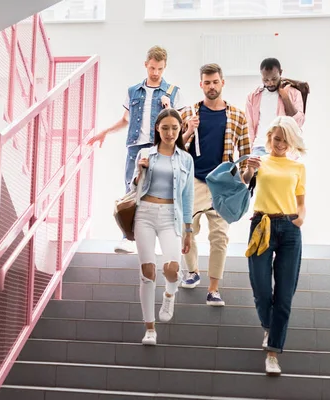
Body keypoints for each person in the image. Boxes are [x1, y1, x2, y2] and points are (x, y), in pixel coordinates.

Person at [88, 45, 188, 254]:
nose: (155, 73)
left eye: (160, 69)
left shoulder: (173, 92)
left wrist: (168, 107)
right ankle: (128, 238)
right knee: (132, 189)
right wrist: (105, 131)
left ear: (164, 67)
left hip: (160, 146)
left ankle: (164, 238)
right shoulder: (133, 91)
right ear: (146, 65)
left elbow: (180, 125)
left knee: (163, 190)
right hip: (135, 147)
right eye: (152, 68)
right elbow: (126, 119)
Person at [178, 63, 251, 306]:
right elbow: (176, 148)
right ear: (201, 84)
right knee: (186, 230)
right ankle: (192, 271)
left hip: (222, 184)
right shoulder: (189, 113)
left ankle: (213, 289)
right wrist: (188, 131)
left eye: (215, 82)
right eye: (207, 82)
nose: (211, 86)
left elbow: (246, 155)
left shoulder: (238, 116)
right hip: (194, 181)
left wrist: (241, 185)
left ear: (222, 82)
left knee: (219, 236)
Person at [241, 116, 307, 376]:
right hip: (261, 224)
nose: (280, 144)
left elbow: (301, 200)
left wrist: (300, 219)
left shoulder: (297, 167)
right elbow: (245, 183)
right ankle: (270, 325)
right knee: (260, 287)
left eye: (285, 140)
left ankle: (273, 353)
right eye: (277, 138)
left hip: (290, 228)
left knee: (285, 294)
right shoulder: (259, 161)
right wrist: (248, 169)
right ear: (269, 138)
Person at [129, 108, 194, 346]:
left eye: (175, 128)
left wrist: (189, 230)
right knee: (147, 273)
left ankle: (169, 294)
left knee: (172, 269)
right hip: (145, 213)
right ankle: (149, 328)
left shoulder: (185, 159)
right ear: (157, 128)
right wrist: (140, 171)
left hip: (171, 217)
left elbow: (187, 197)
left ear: (180, 129)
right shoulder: (146, 154)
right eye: (165, 128)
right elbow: (134, 187)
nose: (170, 133)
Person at [245, 58, 305, 156]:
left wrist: (285, 97)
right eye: (266, 80)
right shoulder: (253, 97)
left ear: (280, 73)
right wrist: (251, 148)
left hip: (284, 149)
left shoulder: (294, 93)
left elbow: (299, 122)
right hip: (260, 147)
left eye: (274, 79)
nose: (270, 83)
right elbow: (249, 126)